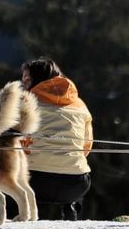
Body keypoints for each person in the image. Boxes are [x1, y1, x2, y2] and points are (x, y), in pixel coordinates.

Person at [20, 57, 93, 220]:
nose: (23, 84)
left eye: (27, 79)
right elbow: (86, 146)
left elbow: (15, 141)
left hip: (34, 180)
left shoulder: (25, 102)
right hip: (76, 183)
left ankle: (22, 216)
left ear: (38, 80)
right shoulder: (80, 105)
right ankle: (70, 212)